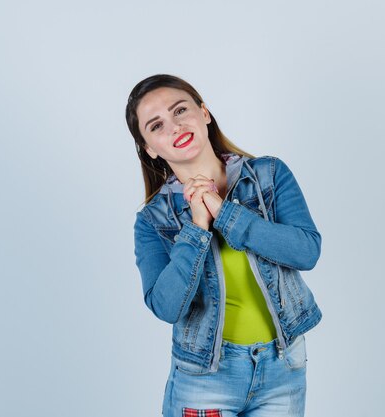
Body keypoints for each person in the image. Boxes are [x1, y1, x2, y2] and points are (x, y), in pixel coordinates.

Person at [125, 74, 322, 417]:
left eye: (181, 110)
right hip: (204, 378)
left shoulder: (269, 175)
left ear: (204, 113)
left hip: (283, 368)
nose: (174, 126)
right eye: (157, 126)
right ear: (150, 148)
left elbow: (306, 251)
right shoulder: (153, 220)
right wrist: (197, 227)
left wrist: (225, 214)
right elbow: (166, 306)